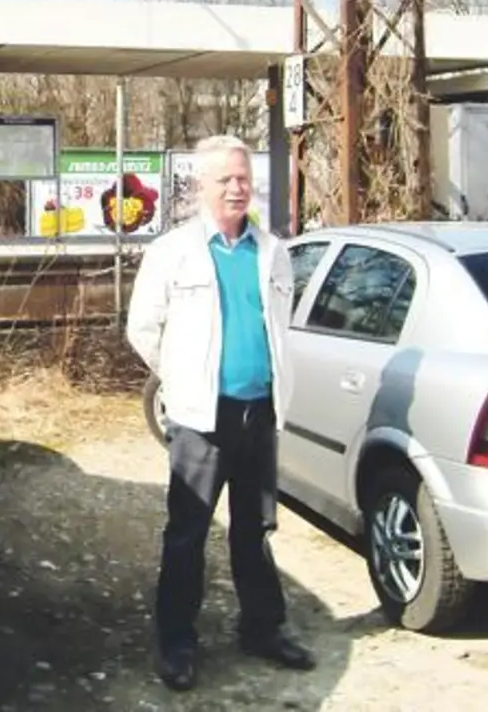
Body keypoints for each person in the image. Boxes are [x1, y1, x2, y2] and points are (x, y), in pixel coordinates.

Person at [125, 134, 316, 692]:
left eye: (242, 178)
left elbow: (279, 328)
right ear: (201, 186)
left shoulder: (273, 251)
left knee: (254, 530)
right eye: (224, 180)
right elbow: (143, 328)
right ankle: (177, 640)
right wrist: (185, 380)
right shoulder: (174, 251)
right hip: (201, 418)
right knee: (187, 534)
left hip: (260, 412)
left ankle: (262, 628)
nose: (236, 188)